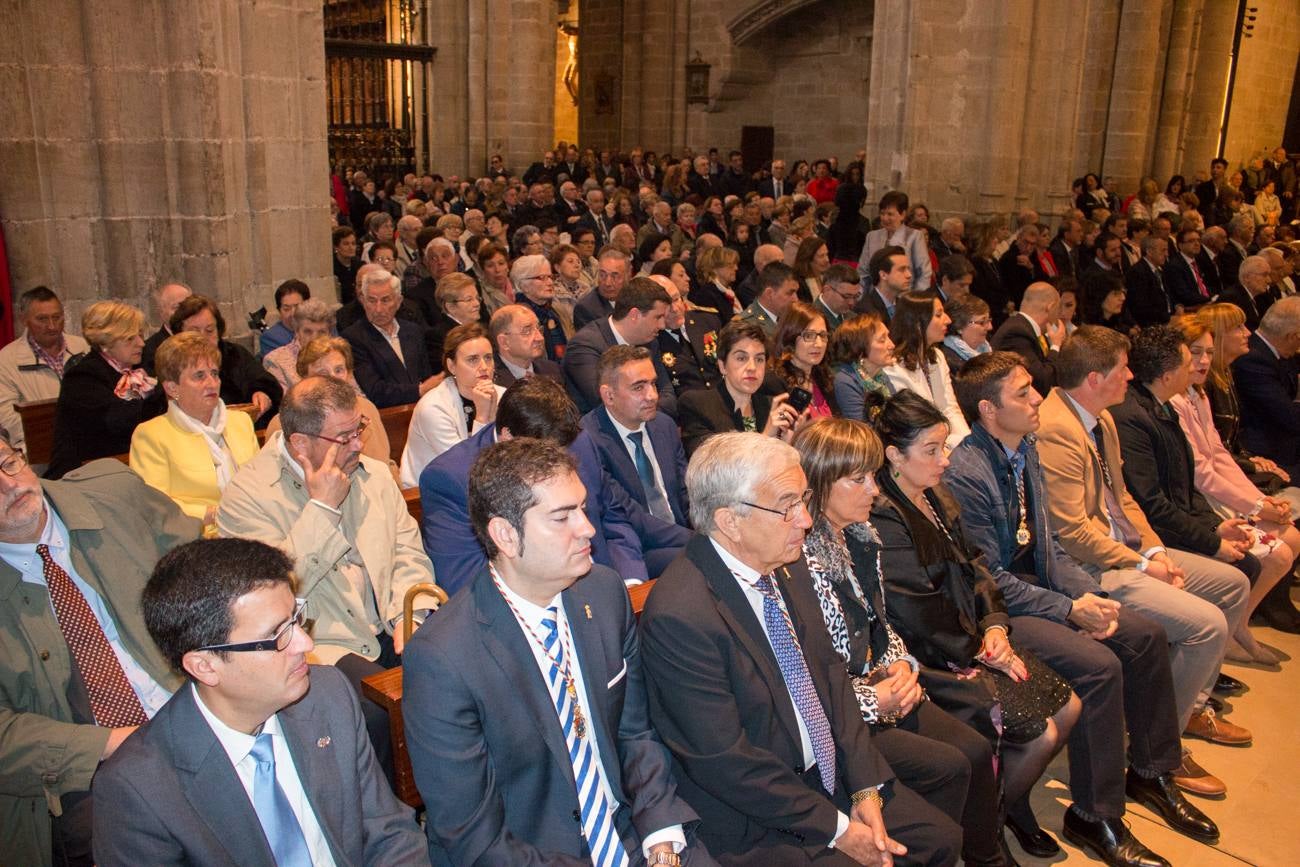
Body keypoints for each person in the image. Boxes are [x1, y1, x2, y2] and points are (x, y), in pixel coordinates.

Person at [641, 431, 962, 865]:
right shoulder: (682, 615)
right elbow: (726, 763)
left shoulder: (785, 564)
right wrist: (840, 829)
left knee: (941, 839)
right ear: (729, 521)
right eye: (787, 506)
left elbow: (832, 677)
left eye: (803, 500)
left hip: (828, 776)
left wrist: (865, 783)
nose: (806, 520)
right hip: (758, 815)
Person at [947, 354, 1221, 859]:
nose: (1037, 400)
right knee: (1099, 667)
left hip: (1038, 589)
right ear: (988, 409)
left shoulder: (1025, 446)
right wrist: (1068, 608)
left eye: (1034, 388)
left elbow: (1048, 548)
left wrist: (1085, 596)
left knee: (1143, 635)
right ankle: (1095, 816)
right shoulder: (966, 471)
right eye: (1024, 393)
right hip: (998, 611)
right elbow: (991, 579)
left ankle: (1151, 770)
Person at [405, 438, 712, 865]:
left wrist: (660, 837)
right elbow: (473, 839)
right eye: (562, 516)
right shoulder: (443, 657)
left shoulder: (603, 592)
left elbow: (635, 733)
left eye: (582, 508)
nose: (587, 528)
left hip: (631, 833)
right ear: (506, 536)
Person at [91, 537, 429, 867]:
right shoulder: (138, 789)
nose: (304, 642)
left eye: (296, 619)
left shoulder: (327, 696)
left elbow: (388, 833)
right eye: (278, 635)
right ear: (205, 666)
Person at [792, 419, 1004, 867]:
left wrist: (902, 665)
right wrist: (875, 698)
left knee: (976, 749)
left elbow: (880, 625)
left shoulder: (860, 536)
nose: (875, 489)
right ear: (820, 484)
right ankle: (950, 851)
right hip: (844, 714)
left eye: (873, 475)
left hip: (881, 685)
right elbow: (808, 674)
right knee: (950, 765)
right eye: (859, 479)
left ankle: (987, 854)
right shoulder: (800, 559)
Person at [1034, 326, 1253, 747]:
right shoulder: (1056, 429)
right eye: (1122, 368)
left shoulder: (1102, 420)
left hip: (1125, 549)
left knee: (1232, 584)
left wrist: (1155, 551)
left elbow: (1125, 498)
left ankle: (1183, 708)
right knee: (1206, 625)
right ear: (1094, 379)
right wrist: (1141, 564)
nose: (1131, 376)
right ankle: (1157, 743)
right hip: (1091, 568)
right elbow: (1072, 532)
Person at [217, 375, 435, 779]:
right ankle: (388, 822)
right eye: (344, 437)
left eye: (359, 430)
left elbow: (408, 553)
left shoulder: (371, 473)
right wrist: (321, 509)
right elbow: (270, 591)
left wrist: (412, 614)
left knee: (456, 676)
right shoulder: (246, 497)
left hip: (391, 622)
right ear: (299, 442)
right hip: (320, 643)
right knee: (375, 712)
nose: (358, 445)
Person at [0, 438, 200, 867]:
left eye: (8, 463)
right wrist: (107, 744)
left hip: (191, 707)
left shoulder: (115, 495)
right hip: (82, 772)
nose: (8, 485)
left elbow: (202, 569)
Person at [419, 376, 689, 595]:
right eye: (541, 454)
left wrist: (630, 579)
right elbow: (467, 581)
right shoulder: (450, 479)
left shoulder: (578, 442)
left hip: (605, 577)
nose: (555, 462)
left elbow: (612, 515)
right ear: (507, 437)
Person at [1111, 326, 1285, 665]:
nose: (1197, 366)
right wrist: (1211, 540)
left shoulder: (1163, 409)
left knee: (1245, 562)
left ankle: (1212, 657)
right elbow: (1152, 504)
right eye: (1190, 360)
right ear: (1167, 374)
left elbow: (1186, 486)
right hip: (1155, 533)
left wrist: (1216, 527)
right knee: (1241, 568)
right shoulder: (1133, 418)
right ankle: (1203, 660)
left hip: (1172, 523)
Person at [1172, 313, 1300, 646]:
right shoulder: (1176, 400)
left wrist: (1262, 503)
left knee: (1292, 539)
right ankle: (1230, 633)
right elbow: (1201, 471)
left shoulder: (1198, 395)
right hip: (1202, 499)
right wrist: (1256, 505)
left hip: (1222, 491)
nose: (1203, 361)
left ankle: (1239, 624)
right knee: (1281, 553)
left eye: (1208, 353)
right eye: (1195, 353)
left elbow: (1220, 454)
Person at [129, 332, 260, 526]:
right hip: (197, 536)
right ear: (172, 388)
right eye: (199, 376)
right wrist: (214, 514)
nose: (212, 383)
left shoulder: (240, 421)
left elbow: (262, 480)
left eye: (214, 373)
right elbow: (155, 505)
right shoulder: (151, 435)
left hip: (253, 524)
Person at [48, 301, 164, 479]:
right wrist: (164, 395)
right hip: (84, 475)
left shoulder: (141, 370)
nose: (141, 343)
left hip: (125, 465)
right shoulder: (82, 377)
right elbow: (117, 421)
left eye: (140, 335)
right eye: (130, 338)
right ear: (105, 343)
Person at [581, 345, 690, 527]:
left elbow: (686, 493)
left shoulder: (664, 425)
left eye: (653, 384)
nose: (653, 396)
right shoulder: (588, 442)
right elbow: (625, 515)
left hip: (681, 533)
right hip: (637, 544)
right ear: (609, 396)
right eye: (638, 387)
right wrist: (688, 539)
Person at [264, 336, 396, 477]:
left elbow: (385, 464)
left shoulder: (367, 408)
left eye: (339, 370)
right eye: (322, 373)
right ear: (304, 378)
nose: (334, 379)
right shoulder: (282, 423)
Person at [400, 322, 505, 487]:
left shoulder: (503, 395)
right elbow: (465, 469)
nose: (484, 367)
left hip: (489, 484)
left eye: (488, 358)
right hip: (432, 493)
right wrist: (483, 416)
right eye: (472, 360)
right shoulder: (433, 408)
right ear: (451, 366)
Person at [678, 319, 802, 456]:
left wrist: (788, 446)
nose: (752, 368)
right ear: (722, 365)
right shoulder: (697, 405)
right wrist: (767, 438)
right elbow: (710, 465)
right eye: (741, 358)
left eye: (759, 359)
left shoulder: (771, 408)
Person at [563, 276, 678, 418]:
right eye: (658, 317)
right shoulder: (585, 346)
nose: (662, 325)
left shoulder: (649, 341)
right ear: (635, 315)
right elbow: (605, 403)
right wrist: (648, 410)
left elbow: (668, 395)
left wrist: (647, 411)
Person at [0, 286, 89, 457]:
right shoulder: (6, 360)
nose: (52, 326)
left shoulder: (83, 347)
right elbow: (9, 417)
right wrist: (58, 437)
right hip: (39, 452)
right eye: (42, 319)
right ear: (24, 319)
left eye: (57, 317)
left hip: (88, 443)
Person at [171, 295, 282, 425]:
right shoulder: (173, 361)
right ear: (180, 334)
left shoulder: (235, 354)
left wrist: (262, 393)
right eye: (194, 331)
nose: (202, 338)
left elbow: (264, 381)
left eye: (209, 330)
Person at [342, 268, 441, 408]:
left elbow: (425, 375)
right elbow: (375, 391)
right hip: (388, 416)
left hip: (423, 408)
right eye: (371, 300)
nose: (378, 309)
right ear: (362, 300)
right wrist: (420, 390)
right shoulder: (353, 338)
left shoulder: (413, 331)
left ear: (399, 301)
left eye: (385, 300)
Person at [882, 293, 970, 449]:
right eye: (938, 314)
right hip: (920, 446)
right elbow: (917, 424)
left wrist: (966, 442)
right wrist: (952, 445)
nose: (948, 320)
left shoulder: (937, 356)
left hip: (946, 443)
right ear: (917, 323)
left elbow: (949, 408)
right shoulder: (893, 367)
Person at [990, 282, 1066, 397]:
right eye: (1058, 309)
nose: (1059, 315)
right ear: (1050, 307)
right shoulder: (1017, 332)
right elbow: (1042, 381)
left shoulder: (1025, 328)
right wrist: (1056, 345)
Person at [655, 271, 722, 396]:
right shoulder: (652, 342)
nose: (675, 309)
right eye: (666, 305)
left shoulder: (707, 321)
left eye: (676, 299)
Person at [771, 301, 838, 419]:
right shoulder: (774, 383)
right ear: (790, 337)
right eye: (808, 336)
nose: (818, 344)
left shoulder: (824, 379)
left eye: (822, 335)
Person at [857, 191, 933, 293]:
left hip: (904, 298)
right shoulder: (872, 236)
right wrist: (861, 296)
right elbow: (863, 271)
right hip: (874, 298)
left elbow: (924, 274)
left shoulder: (915, 236)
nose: (885, 218)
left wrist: (914, 301)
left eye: (890, 214)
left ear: (902, 215)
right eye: (882, 213)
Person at [261, 297, 336, 392]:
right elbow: (286, 403)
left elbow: (356, 393)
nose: (314, 338)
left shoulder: (338, 356)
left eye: (321, 332)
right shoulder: (276, 361)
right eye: (308, 332)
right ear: (296, 332)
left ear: (329, 334)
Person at [832, 313, 895, 424]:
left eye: (888, 337)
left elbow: (899, 414)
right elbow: (864, 430)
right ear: (860, 348)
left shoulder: (880, 376)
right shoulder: (845, 381)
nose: (892, 345)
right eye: (882, 340)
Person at [141, 282, 193, 374]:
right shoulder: (149, 352)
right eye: (176, 307)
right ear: (161, 312)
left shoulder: (207, 341)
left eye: (188, 306)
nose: (184, 312)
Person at [574, 247, 631, 329]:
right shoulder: (586, 309)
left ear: (627, 276)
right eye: (602, 275)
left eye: (615, 276)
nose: (607, 283)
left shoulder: (636, 299)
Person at [938, 293, 992, 374]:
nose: (990, 327)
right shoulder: (949, 362)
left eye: (988, 320)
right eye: (982, 322)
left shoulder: (986, 348)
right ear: (959, 327)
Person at [690, 244, 744, 324]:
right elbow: (714, 327)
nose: (736, 268)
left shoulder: (731, 291)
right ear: (714, 269)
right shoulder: (706, 295)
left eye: (735, 264)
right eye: (730, 265)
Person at [258, 279, 310, 356]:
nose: (293, 313)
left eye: (298, 307)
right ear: (279, 311)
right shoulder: (271, 338)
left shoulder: (323, 327)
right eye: (286, 309)